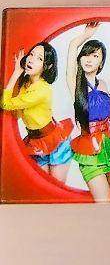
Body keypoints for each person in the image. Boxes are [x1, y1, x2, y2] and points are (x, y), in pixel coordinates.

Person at [1, 41, 73, 186]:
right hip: (36, 142)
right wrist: (18, 76)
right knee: (43, 186)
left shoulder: (42, 89)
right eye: (31, 54)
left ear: (47, 66)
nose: (31, 59)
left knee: (56, 186)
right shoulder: (25, 83)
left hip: (57, 142)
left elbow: (5, 103)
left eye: (39, 58)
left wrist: (16, 72)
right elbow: (18, 114)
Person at [66, 23, 110, 202]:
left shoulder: (104, 84)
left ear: (101, 62)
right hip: (88, 149)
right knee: (105, 201)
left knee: (108, 199)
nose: (89, 59)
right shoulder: (76, 84)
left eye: (95, 55)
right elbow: (72, 46)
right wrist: (86, 35)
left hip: (109, 146)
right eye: (86, 54)